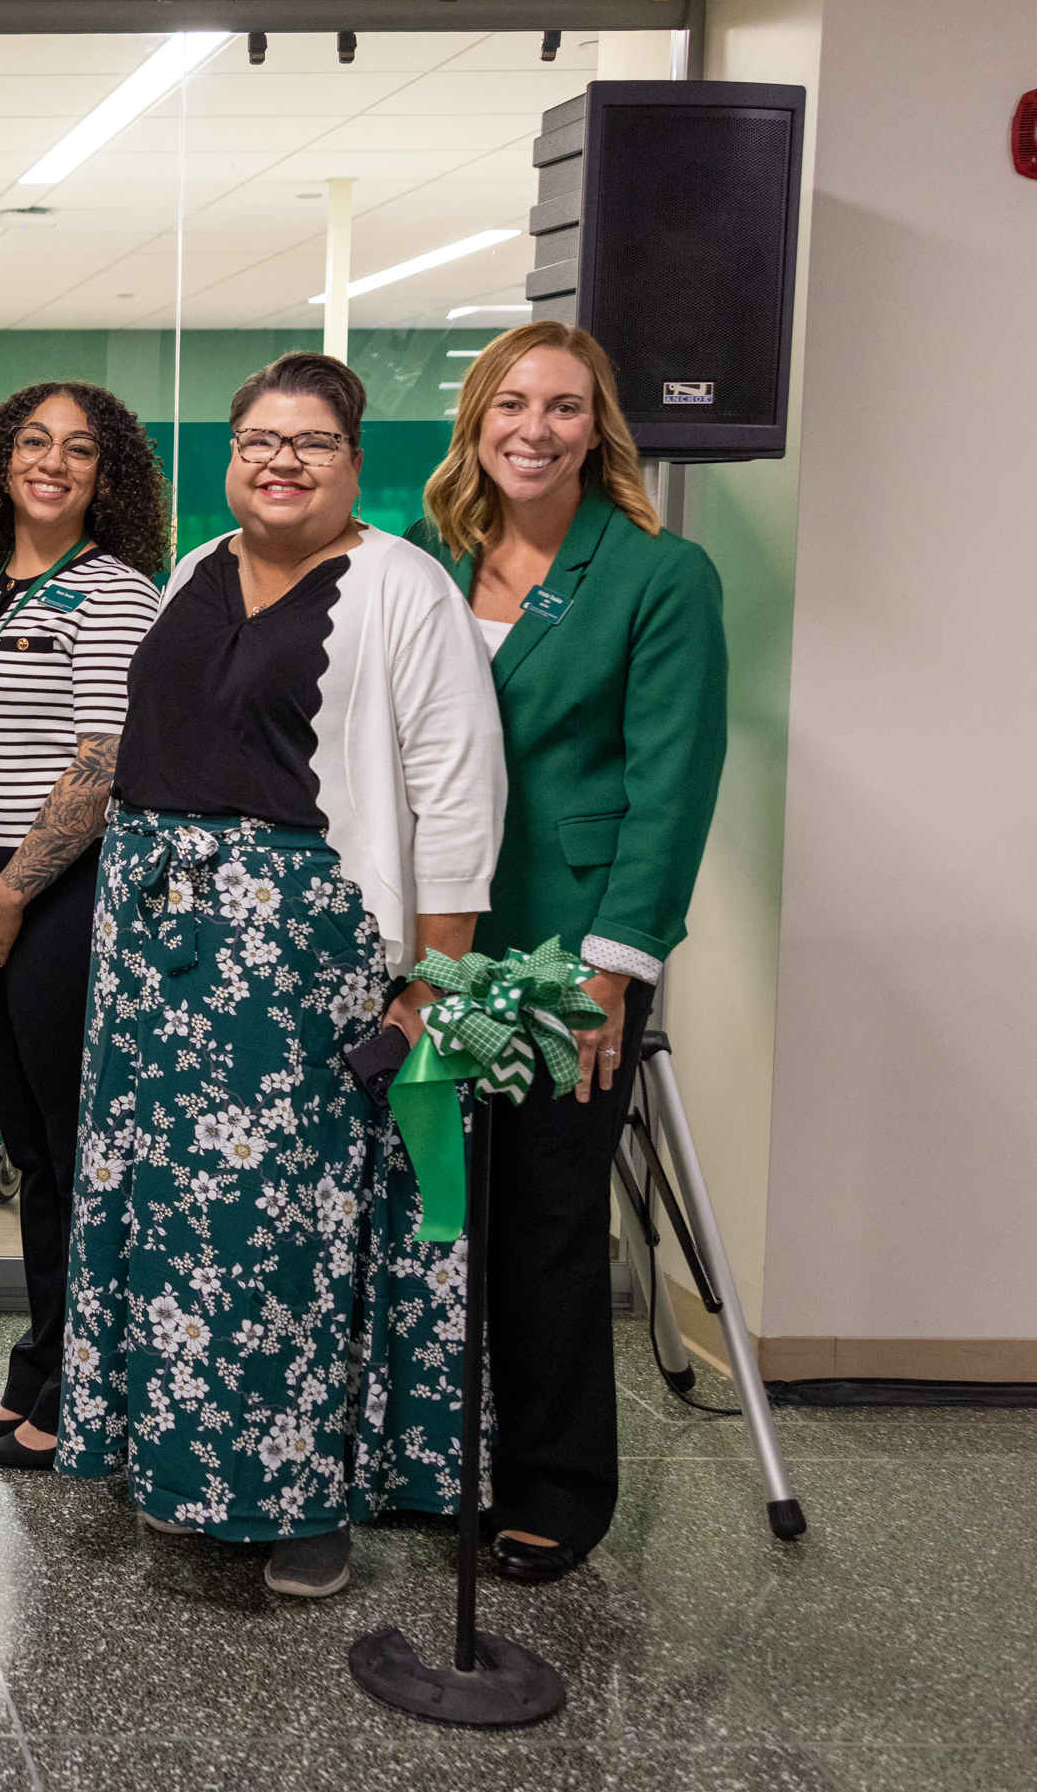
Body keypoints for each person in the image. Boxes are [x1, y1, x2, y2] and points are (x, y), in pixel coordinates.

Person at [57, 351, 505, 1598]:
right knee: (163, 1219)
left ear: (356, 460)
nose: (280, 461)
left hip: (302, 961)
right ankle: (182, 1468)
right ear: (233, 456)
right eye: (259, 439)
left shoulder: (404, 590)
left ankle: (304, 1500)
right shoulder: (197, 570)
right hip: (159, 960)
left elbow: (456, 802)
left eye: (308, 441)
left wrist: (435, 985)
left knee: (281, 1231)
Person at [411, 321, 727, 1585]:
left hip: (565, 954)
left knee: (543, 1222)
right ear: (477, 419)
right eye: (512, 404)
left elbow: (673, 785)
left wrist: (616, 966)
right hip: (441, 941)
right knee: (447, 1216)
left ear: (601, 430)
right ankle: (445, 1462)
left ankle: (554, 1489)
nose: (535, 430)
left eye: (566, 408)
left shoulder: (660, 572)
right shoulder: (441, 560)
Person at [0, 382, 170, 1472]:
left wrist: (14, 889)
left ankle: (81, 1393)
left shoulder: (119, 595)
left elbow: (106, 759)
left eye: (81, 451)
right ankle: (39, 1372)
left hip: (62, 890)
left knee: (74, 1151)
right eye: (35, 440)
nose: (55, 462)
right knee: (29, 1145)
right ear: (2, 460)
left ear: (106, 478)